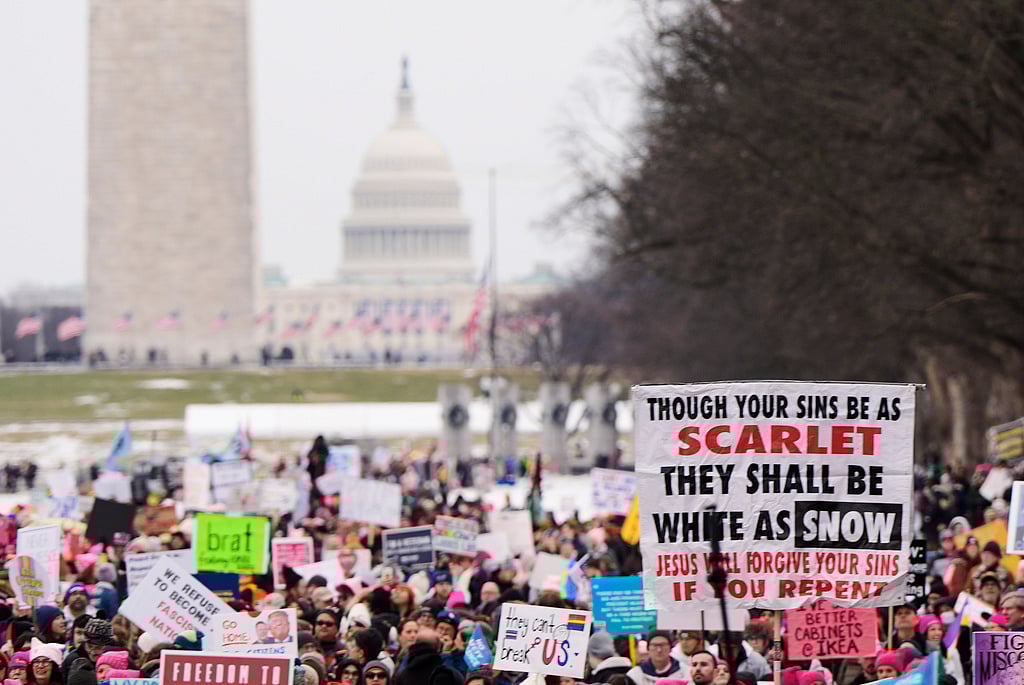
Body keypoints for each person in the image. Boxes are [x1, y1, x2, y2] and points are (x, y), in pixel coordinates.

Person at [61, 619, 114, 685]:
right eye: (89, 646)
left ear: (107, 646)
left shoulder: (117, 660)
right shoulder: (73, 660)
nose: (92, 652)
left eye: (98, 647)